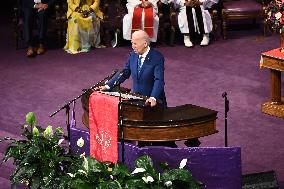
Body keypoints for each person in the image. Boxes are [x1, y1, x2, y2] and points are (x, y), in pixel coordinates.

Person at [98, 29, 167, 108]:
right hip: (136, 97)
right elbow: (125, 73)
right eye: (132, 43)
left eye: (135, 44)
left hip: (152, 101)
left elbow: (159, 80)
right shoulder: (132, 55)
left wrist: (153, 97)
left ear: (145, 44)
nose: (132, 46)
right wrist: (108, 85)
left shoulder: (157, 57)